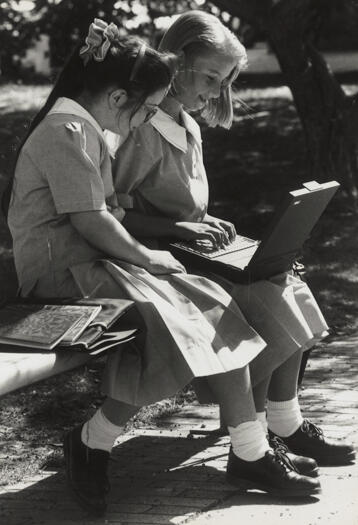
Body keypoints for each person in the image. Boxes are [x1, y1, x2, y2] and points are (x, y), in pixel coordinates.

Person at [5, 16, 327, 517]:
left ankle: (248, 447)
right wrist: (151, 257)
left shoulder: (85, 130)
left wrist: (155, 256)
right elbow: (92, 222)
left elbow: (106, 216)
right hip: (67, 272)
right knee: (182, 317)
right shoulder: (66, 132)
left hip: (96, 264)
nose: (141, 122)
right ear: (117, 99)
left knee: (212, 304)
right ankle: (104, 442)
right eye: (144, 111)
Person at [110, 8, 355, 480]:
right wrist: (180, 231)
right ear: (176, 63)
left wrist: (204, 224)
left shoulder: (187, 125)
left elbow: (187, 209)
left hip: (190, 249)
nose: (216, 92)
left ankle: (284, 420)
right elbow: (114, 215)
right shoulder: (140, 129)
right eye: (210, 77)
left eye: (224, 82)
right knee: (264, 296)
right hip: (158, 259)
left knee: (284, 277)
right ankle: (257, 440)